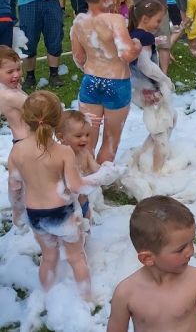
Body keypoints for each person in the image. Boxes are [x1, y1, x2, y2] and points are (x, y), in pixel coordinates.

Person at [8, 91, 121, 301]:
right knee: (76, 258)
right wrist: (104, 175)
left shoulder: (17, 151)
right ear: (57, 120)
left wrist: (17, 213)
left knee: (49, 258)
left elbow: (15, 188)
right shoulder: (63, 152)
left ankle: (44, 298)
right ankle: (86, 301)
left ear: (25, 118)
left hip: (35, 214)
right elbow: (77, 186)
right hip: (62, 213)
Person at [107, 195, 196, 332]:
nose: (191, 252)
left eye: (191, 241)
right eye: (181, 249)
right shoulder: (126, 293)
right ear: (147, 258)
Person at [71, 0, 142, 164]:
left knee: (85, 140)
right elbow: (126, 53)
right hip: (116, 84)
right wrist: (137, 44)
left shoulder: (79, 21)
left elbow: (78, 56)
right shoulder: (114, 20)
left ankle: (85, 184)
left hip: (91, 81)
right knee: (110, 140)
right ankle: (100, 181)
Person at [127, 0, 177, 173]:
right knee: (161, 127)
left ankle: (143, 156)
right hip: (147, 88)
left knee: (170, 119)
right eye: (157, 21)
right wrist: (164, 79)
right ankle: (156, 172)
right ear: (145, 19)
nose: (159, 24)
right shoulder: (144, 37)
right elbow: (144, 65)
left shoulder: (136, 34)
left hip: (138, 88)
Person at [56, 110, 100, 224]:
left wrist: (109, 170)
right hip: (66, 207)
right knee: (71, 235)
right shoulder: (59, 156)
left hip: (83, 202)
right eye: (78, 136)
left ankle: (87, 239)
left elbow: (96, 169)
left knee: (87, 225)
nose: (84, 139)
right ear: (61, 137)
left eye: (87, 135)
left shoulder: (85, 153)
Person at [0, 46, 28, 144]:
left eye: (18, 69)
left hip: (23, 140)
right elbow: (37, 110)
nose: (16, 74)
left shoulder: (11, 88)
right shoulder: (9, 95)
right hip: (26, 142)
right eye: (10, 72)